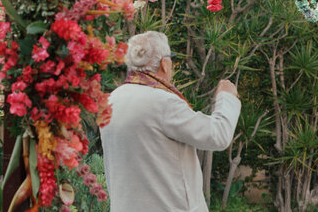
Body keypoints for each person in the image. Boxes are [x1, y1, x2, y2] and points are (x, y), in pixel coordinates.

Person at [100, 30, 241, 212]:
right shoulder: (162, 102)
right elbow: (218, 136)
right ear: (164, 64)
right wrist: (226, 97)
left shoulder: (111, 100)